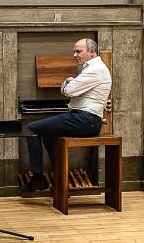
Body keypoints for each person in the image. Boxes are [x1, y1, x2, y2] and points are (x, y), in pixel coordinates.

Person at [21, 38, 111, 193]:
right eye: (74, 51)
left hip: (85, 120)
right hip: (83, 118)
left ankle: (38, 179)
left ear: (91, 52)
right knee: (49, 135)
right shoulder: (92, 68)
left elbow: (69, 91)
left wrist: (68, 82)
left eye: (78, 51)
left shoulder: (94, 69)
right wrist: (73, 82)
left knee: (32, 129)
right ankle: (61, 181)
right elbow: (74, 91)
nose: (74, 54)